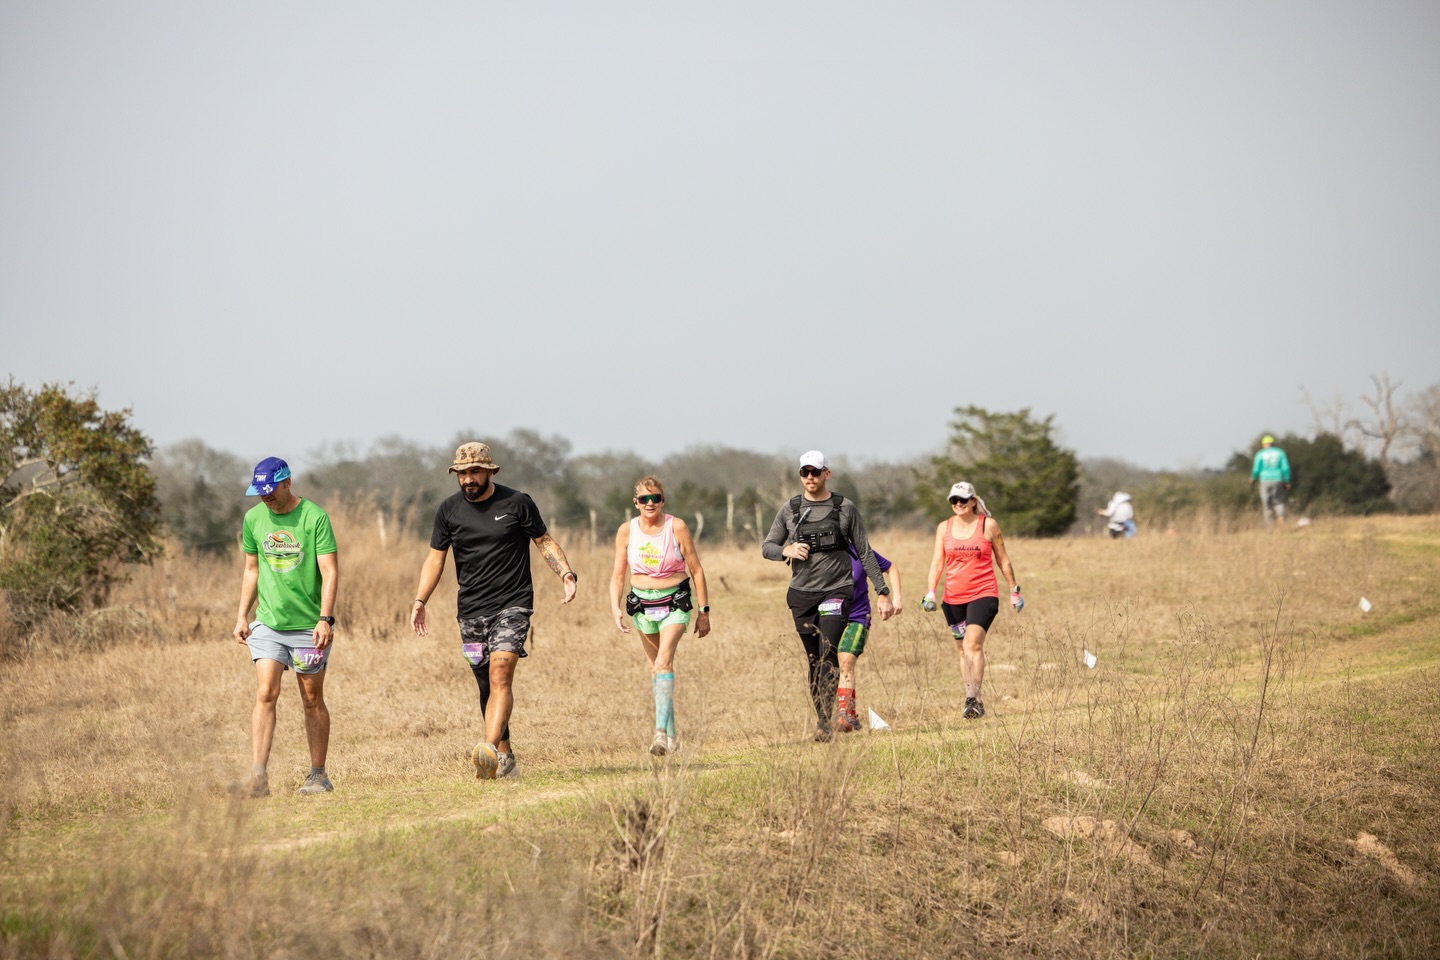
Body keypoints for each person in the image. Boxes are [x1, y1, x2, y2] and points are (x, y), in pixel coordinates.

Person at [411, 442, 578, 780]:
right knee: (486, 686)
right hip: (471, 610)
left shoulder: (517, 503)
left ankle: (486, 751)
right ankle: (505, 753)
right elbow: (435, 559)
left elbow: (543, 541)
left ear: (490, 471)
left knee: (501, 672)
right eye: (461, 473)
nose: (468, 479)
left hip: (513, 604)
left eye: (474, 472)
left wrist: (566, 573)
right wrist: (420, 600)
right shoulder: (448, 511)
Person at [763, 450, 893, 741]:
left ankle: (824, 725)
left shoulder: (845, 508)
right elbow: (767, 546)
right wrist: (786, 550)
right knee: (813, 660)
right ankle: (822, 717)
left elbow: (865, 551)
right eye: (805, 472)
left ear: (827, 474)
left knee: (829, 654)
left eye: (815, 472)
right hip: (802, 593)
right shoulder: (790, 509)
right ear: (800, 475)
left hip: (837, 590)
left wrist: (882, 591)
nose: (810, 477)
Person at [231, 457, 339, 798]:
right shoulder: (253, 518)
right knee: (266, 692)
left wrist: (325, 618)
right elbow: (252, 569)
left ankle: (318, 775)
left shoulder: (314, 517)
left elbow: (330, 571)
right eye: (259, 492)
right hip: (268, 623)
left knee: (311, 698)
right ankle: (258, 778)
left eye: (270, 490)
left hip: (309, 625)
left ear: (287, 483)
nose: (265, 498)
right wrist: (241, 615)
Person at [608, 476, 712, 757]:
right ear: (636, 503)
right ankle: (674, 737)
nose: (650, 503)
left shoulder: (675, 526)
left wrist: (704, 611)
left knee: (664, 661)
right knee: (656, 669)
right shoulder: (626, 531)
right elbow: (618, 574)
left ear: (663, 500)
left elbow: (697, 569)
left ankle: (660, 735)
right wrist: (615, 608)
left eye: (655, 498)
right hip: (642, 605)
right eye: (644, 499)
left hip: (675, 604)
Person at [921, 481, 1021, 721]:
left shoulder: (989, 526)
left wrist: (1013, 589)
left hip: (983, 593)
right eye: (953, 500)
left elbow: (1003, 560)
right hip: (953, 598)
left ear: (973, 501)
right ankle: (974, 699)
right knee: (962, 650)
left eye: (963, 500)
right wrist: (931, 591)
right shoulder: (944, 528)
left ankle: (972, 698)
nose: (958, 504)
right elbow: (937, 562)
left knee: (972, 644)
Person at [835, 543, 903, 733]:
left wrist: (894, 597)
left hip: (857, 617)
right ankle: (850, 715)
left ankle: (845, 713)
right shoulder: (820, 553)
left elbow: (891, 567)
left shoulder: (858, 550)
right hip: (830, 618)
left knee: (845, 662)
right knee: (832, 666)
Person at [1250, 434, 1292, 530]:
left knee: (1266, 505)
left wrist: (1253, 478)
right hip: (1278, 479)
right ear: (1272, 443)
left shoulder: (1260, 454)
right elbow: (1285, 468)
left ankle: (1270, 528)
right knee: (1279, 501)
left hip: (1265, 480)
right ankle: (1281, 516)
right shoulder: (1280, 453)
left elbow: (1256, 468)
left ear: (1264, 444)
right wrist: (1287, 481)